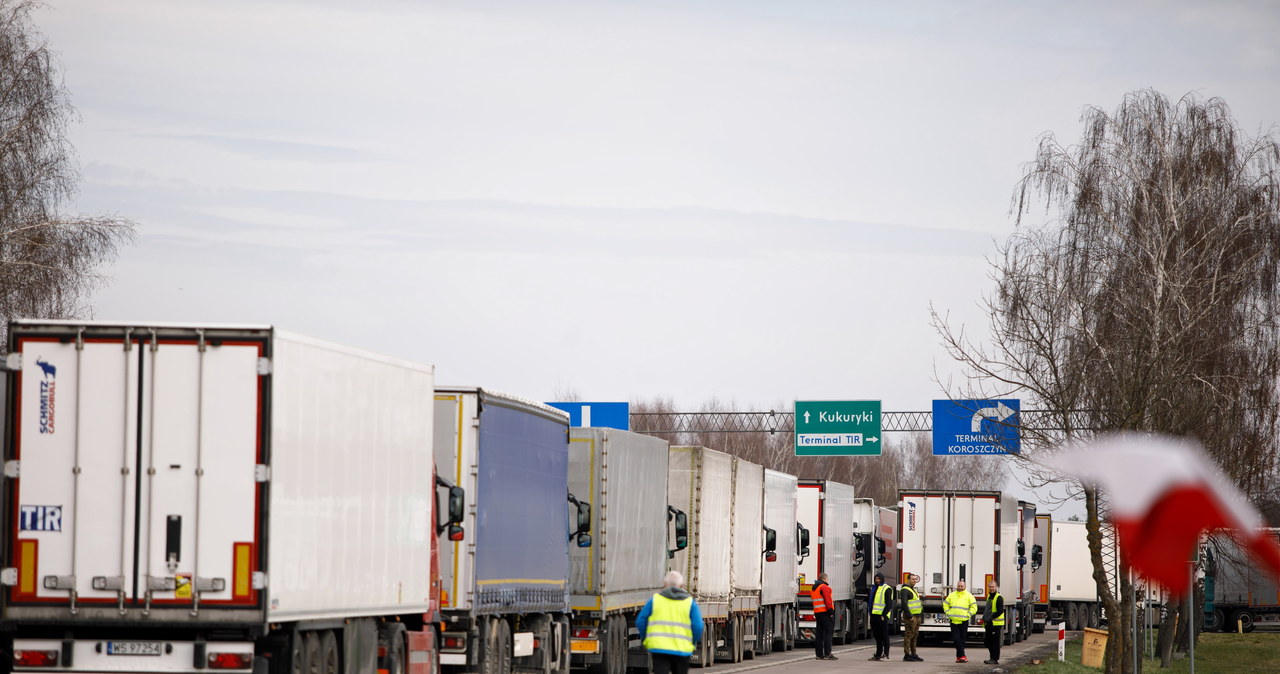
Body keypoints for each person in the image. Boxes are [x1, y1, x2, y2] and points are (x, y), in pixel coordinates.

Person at [637, 570, 704, 674]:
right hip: (682, 650)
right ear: (681, 585)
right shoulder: (690, 603)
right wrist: (691, 642)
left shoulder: (655, 600)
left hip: (659, 649)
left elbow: (641, 621)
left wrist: (646, 639)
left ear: (664, 584)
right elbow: (698, 626)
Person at [942, 579, 977, 663]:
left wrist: (968, 615)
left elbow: (974, 607)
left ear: (965, 587)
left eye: (962, 586)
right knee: (956, 639)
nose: (960, 587)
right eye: (959, 586)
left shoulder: (969, 596)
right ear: (956, 586)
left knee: (962, 640)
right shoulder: (952, 595)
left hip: (963, 621)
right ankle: (963, 656)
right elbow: (945, 604)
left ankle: (959, 657)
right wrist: (947, 612)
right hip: (953, 621)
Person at [868, 572, 895, 661]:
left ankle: (886, 654)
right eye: (876, 579)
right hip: (874, 615)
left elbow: (889, 604)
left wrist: (883, 614)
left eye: (879, 579)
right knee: (877, 636)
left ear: (882, 579)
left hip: (882, 616)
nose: (877, 580)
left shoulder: (887, 589)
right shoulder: (874, 588)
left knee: (884, 636)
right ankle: (878, 654)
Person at [810, 572, 837, 660]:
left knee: (819, 634)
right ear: (825, 579)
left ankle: (819, 654)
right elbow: (827, 600)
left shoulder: (814, 588)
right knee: (829, 633)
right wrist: (831, 611)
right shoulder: (824, 587)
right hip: (825, 612)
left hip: (818, 612)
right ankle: (828, 653)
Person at [899, 573, 924, 662]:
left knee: (915, 636)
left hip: (916, 616)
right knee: (908, 635)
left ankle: (914, 654)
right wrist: (909, 616)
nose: (914, 581)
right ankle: (907, 654)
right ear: (908, 580)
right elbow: (904, 604)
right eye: (912, 579)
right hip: (911, 617)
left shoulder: (913, 590)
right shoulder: (905, 590)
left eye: (915, 579)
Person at [983, 580, 1005, 665]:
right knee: (988, 642)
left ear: (996, 587)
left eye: (993, 587)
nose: (992, 588)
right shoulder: (989, 597)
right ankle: (991, 658)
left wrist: (990, 618)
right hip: (989, 623)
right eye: (990, 587)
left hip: (995, 624)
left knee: (994, 643)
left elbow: (1000, 611)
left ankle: (994, 659)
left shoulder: (998, 598)